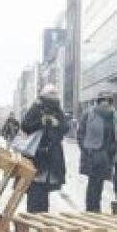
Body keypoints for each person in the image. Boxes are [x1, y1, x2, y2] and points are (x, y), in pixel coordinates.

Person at [21, 85, 70, 213]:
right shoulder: (36, 107)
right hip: (36, 156)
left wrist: (56, 123)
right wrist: (41, 122)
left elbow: (65, 128)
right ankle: (33, 218)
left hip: (51, 158)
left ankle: (41, 219)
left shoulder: (58, 110)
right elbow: (26, 125)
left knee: (43, 194)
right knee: (34, 191)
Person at [77, 93, 117, 213]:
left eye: (108, 100)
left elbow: (116, 136)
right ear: (98, 101)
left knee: (100, 183)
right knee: (93, 183)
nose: (105, 103)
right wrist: (86, 149)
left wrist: (112, 149)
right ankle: (91, 209)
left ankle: (96, 207)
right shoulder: (89, 114)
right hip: (92, 154)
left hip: (106, 155)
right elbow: (80, 134)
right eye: (102, 100)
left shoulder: (114, 116)